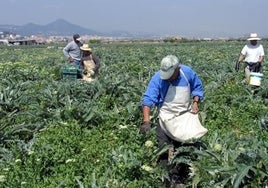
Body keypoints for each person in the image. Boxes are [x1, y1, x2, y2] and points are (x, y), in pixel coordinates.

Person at [140, 55, 205, 187]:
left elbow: (197, 88)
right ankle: (166, 179)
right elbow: (148, 99)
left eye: (171, 74)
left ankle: (183, 176)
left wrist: (196, 102)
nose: (168, 77)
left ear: (177, 68)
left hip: (184, 116)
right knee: (163, 149)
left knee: (185, 149)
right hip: (165, 117)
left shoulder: (187, 73)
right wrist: (146, 121)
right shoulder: (158, 77)